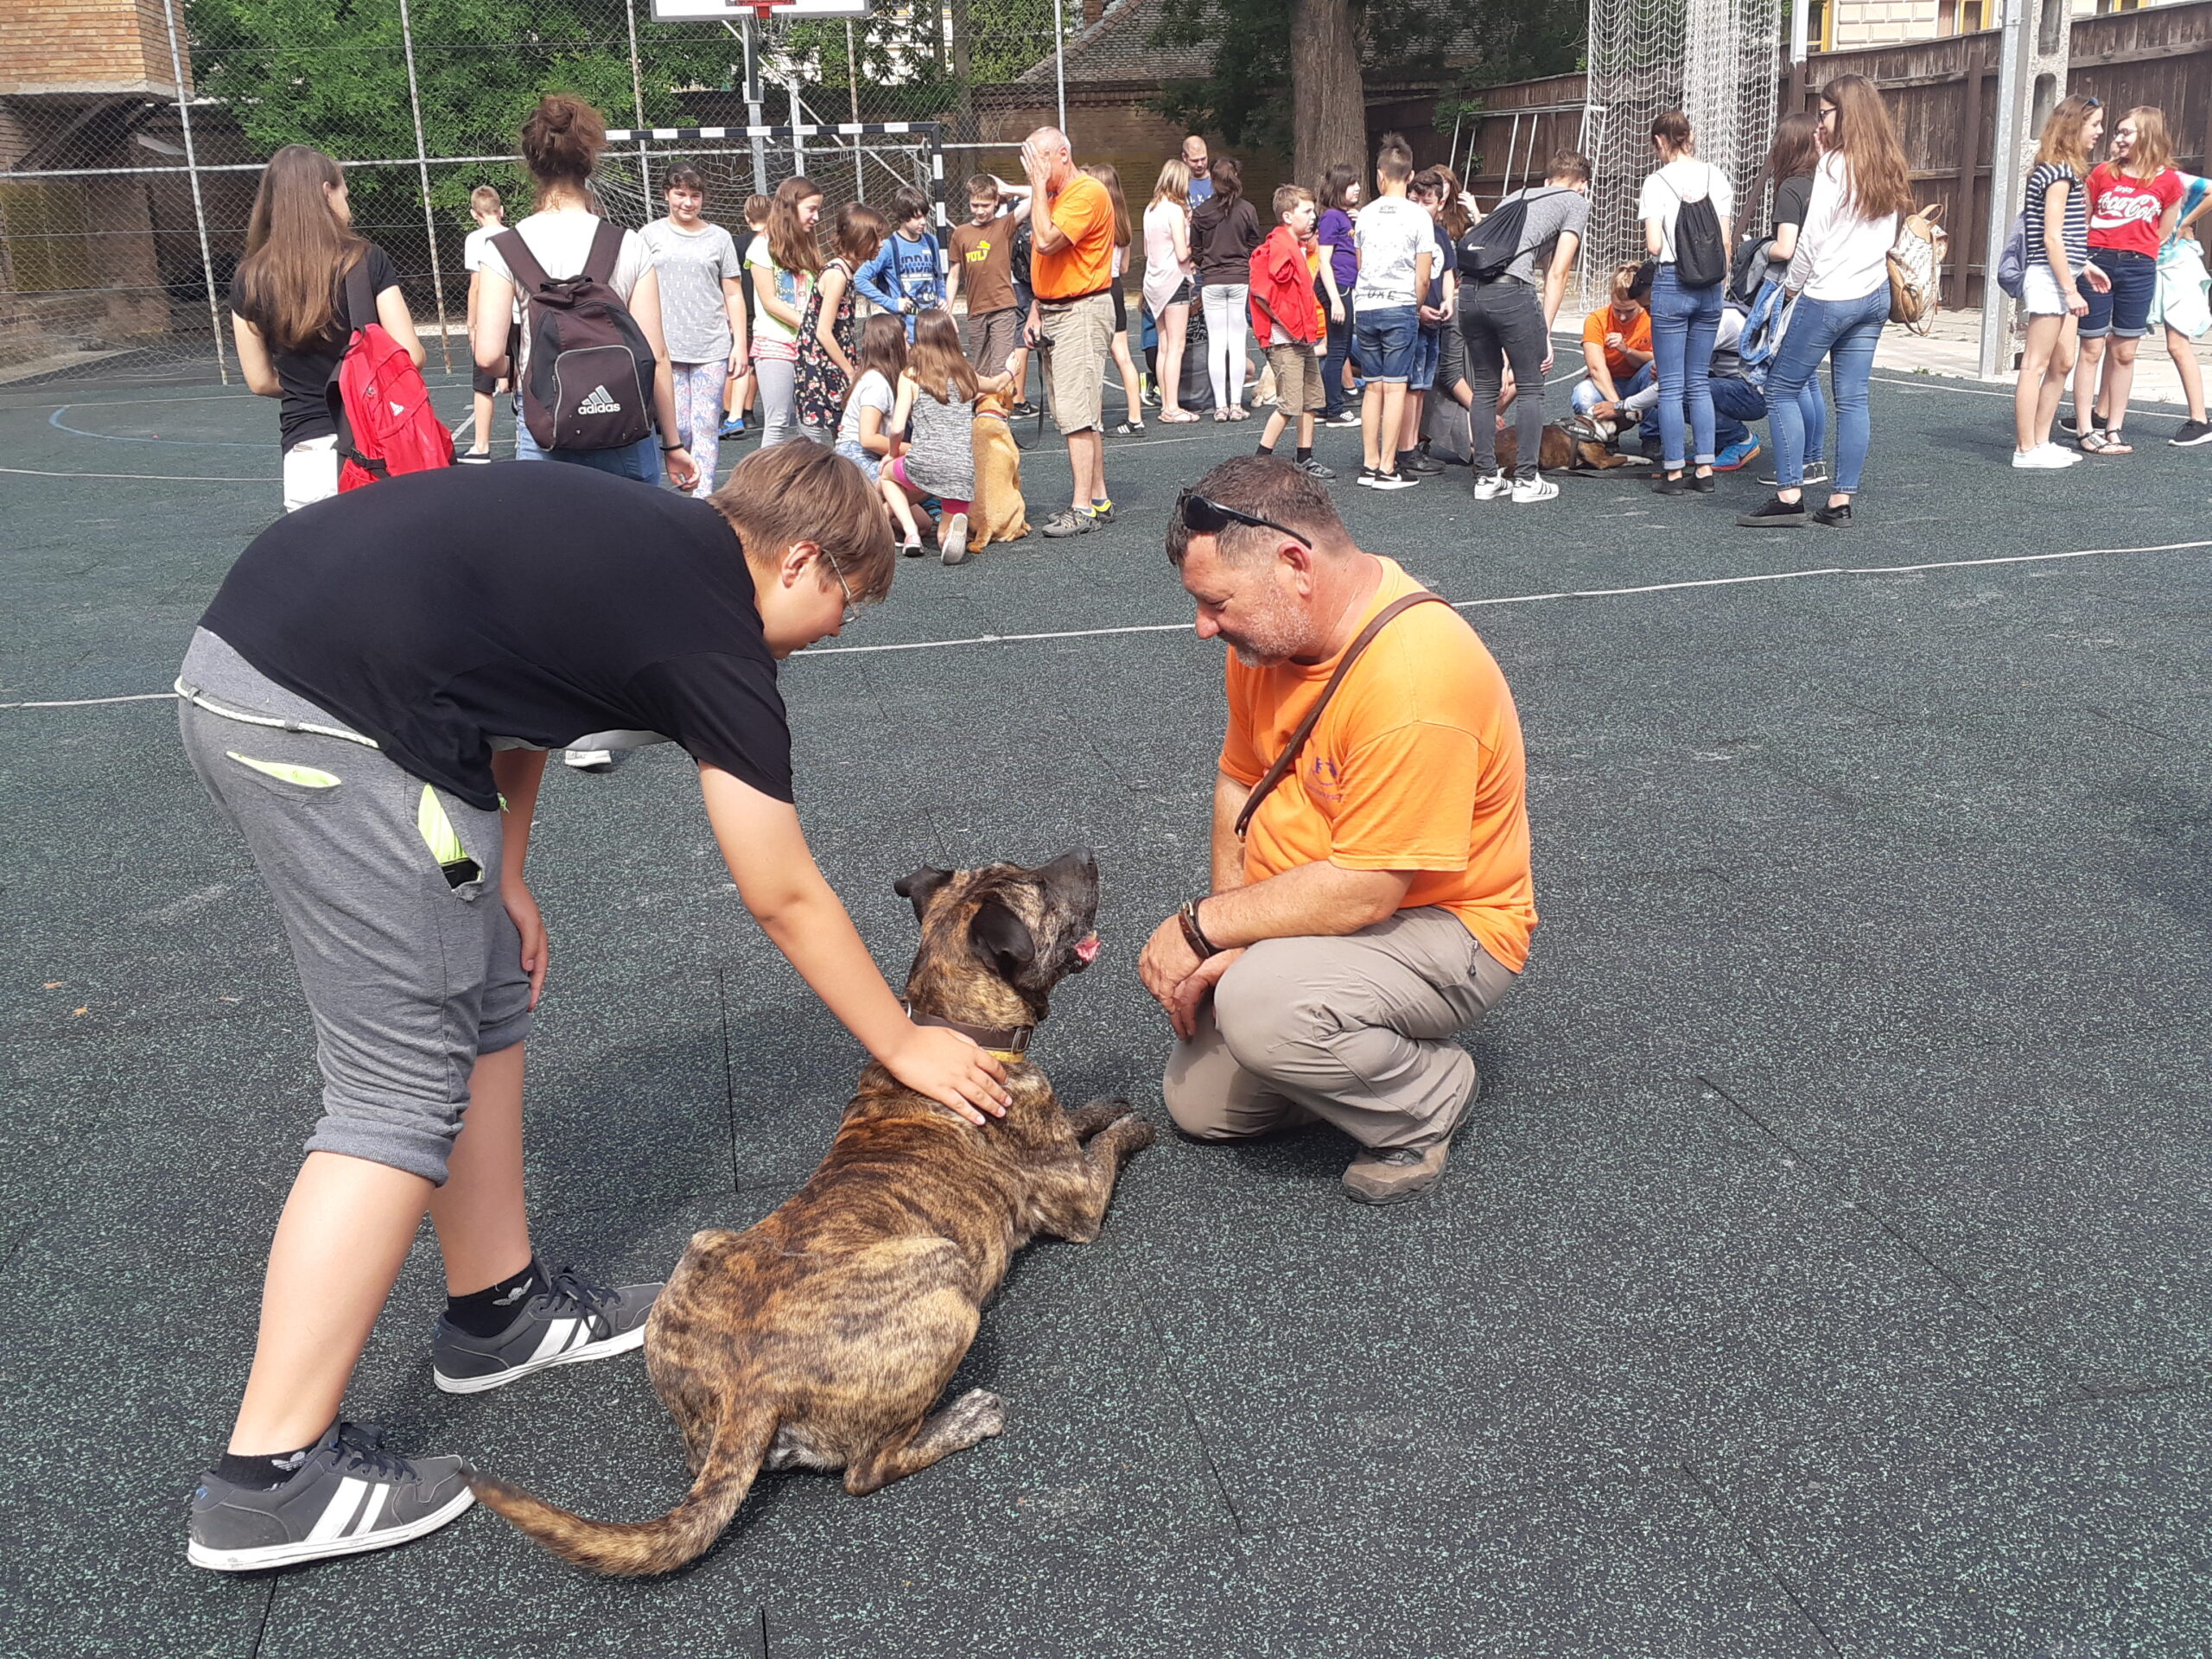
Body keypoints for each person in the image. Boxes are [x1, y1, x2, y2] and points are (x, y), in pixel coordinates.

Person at [177, 443, 1012, 1573]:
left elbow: (525, 694)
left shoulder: (654, 546)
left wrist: (506, 875)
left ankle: (498, 1313)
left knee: (483, 997)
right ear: (803, 559)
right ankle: (271, 1478)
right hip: (319, 713)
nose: (836, 632)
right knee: (397, 1092)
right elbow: (780, 887)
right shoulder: (712, 628)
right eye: (847, 605)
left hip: (318, 666)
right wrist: (905, 1039)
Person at [1141, 457, 1534, 1206]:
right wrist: (1235, 939)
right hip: (1326, 912)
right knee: (1198, 1103)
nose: (1204, 627)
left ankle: (1430, 1096)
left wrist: (1205, 929)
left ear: (1295, 563)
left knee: (1263, 1009)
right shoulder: (1269, 640)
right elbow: (1238, 780)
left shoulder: (1416, 678)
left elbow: (1365, 891)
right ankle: (1331, 1046)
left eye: (1217, 603)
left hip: (1448, 927)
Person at [470, 96, 696, 493]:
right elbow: (656, 355)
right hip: (624, 425)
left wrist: (520, 369)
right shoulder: (629, 244)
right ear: (590, 161)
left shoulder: (504, 248)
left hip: (547, 425)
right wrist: (673, 444)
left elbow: (487, 356)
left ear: (532, 164)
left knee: (555, 548)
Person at [1738, 74, 1908, 529]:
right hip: (1873, 294)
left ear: (1844, 114)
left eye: (1825, 112)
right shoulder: (1888, 164)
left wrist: (1789, 289)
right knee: (1853, 399)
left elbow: (1809, 242)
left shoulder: (1833, 166)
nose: (1820, 121)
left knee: (1780, 389)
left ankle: (1790, 494)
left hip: (1829, 294)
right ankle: (1839, 502)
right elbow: (1890, 235)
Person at [229, 145, 426, 513]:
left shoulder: (249, 278)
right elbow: (410, 355)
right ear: (325, 192)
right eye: (344, 194)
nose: (348, 206)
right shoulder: (366, 260)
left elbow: (259, 380)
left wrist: (313, 387)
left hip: (305, 453)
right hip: (374, 446)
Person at [1463, 149, 1591, 506]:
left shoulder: (1516, 195)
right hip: (1511, 292)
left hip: (1470, 292)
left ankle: (1486, 477)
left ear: (1548, 179)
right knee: (1532, 385)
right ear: (1582, 184)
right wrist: (1544, 332)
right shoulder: (1574, 202)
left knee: (1487, 386)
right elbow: (1559, 270)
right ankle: (1526, 479)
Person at [1020, 126, 1119, 538]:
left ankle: (1082, 508)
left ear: (1063, 154)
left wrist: (1037, 188)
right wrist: (1035, 308)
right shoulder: (1060, 195)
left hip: (1081, 310)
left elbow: (1044, 241)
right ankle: (1098, 498)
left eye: (1041, 159)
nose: (1035, 170)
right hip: (1058, 310)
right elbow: (1050, 265)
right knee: (1077, 413)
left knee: (1078, 416)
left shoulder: (1086, 193)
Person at [2075, 105, 2186, 456]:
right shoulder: (2101, 174)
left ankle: (2114, 428)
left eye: (2127, 132)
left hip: (2139, 267)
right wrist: (2087, 261)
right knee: (2091, 347)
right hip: (2099, 263)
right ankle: (2083, 428)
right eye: (2117, 132)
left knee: (2125, 351)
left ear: (2148, 135)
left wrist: (2141, 249)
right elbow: (2084, 220)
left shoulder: (2168, 181)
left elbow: (2165, 229)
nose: (2118, 139)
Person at [1639, 111, 1734, 497]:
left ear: (1661, 141)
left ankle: (1675, 471)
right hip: (1711, 287)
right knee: (1699, 381)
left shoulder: (1656, 181)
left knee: (1672, 383)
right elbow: (1727, 243)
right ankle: (1706, 467)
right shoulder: (1717, 175)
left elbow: (1654, 246)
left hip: (1672, 283)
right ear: (1689, 136)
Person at [639, 162, 748, 497]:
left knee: (704, 425)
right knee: (680, 426)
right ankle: (688, 476)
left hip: (710, 346)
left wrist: (740, 343)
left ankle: (703, 499)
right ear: (667, 195)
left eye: (695, 195)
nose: (687, 202)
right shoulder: (649, 236)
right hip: (665, 350)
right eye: (680, 194)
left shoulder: (719, 238)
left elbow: (733, 293)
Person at [2011, 95, 2103, 469]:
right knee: (2035, 363)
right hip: (2049, 278)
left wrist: (2085, 267)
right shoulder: (2059, 174)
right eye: (2093, 124)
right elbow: (2051, 237)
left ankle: (2041, 439)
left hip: (2063, 274)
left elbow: (2064, 236)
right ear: (2073, 127)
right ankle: (2025, 448)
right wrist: (2069, 287)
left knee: (2063, 361)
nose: (2098, 132)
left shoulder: (2061, 171)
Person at [886, 308, 1006, 567]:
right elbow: (997, 386)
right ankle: (950, 532)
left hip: (923, 462)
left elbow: (896, 428)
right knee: (944, 537)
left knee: (887, 474)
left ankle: (910, 533)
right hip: (961, 469)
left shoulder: (910, 375)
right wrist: (1011, 369)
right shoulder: (965, 374)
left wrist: (893, 454)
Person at [1350, 137, 1432, 489]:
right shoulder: (1419, 216)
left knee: (1373, 387)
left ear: (1380, 175)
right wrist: (1413, 305)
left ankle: (1369, 464)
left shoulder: (1365, 214)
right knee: (1397, 387)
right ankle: (1388, 466)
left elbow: (1360, 264)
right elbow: (1424, 275)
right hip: (1399, 304)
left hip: (1366, 305)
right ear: (1410, 176)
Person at [1755, 112, 1830, 486]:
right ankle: (1814, 460)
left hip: (1793, 287)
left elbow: (1786, 248)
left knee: (1788, 383)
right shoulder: (1827, 183)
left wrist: (1756, 249)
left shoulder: (1792, 189)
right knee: (1811, 381)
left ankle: (1797, 466)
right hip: (1824, 287)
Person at [1248, 184, 1331, 480]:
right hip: (1286, 340)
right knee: (1289, 404)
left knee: (1310, 398)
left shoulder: (1293, 245)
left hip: (1299, 337)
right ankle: (1259, 461)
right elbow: (1263, 295)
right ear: (1287, 216)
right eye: (1306, 212)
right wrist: (1290, 327)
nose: (1313, 217)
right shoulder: (1280, 247)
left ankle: (1305, 457)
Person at [796, 201, 887, 446]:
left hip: (833, 363)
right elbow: (823, 331)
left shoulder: (848, 272)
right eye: (876, 238)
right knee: (820, 436)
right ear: (859, 238)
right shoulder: (836, 274)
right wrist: (849, 369)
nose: (881, 244)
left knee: (843, 430)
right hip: (822, 367)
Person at [746, 175, 826, 448]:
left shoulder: (808, 246)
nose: (816, 217)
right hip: (775, 344)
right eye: (811, 209)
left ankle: (811, 486)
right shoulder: (762, 247)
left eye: (818, 210)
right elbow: (770, 301)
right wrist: (813, 325)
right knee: (778, 422)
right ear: (791, 206)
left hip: (809, 347)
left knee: (812, 427)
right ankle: (767, 487)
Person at [1396, 168, 1460, 479]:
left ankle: (1414, 446)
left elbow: (1447, 271)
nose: (1421, 206)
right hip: (1412, 318)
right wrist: (1417, 307)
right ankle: (1404, 449)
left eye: (1428, 201)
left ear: (1440, 202)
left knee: (1421, 387)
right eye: (1415, 199)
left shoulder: (1440, 234)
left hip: (1436, 320)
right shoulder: (1404, 232)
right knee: (1409, 386)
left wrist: (1448, 300)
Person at [1193, 157, 1263, 420]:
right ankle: (1236, 404)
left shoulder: (1201, 212)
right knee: (1237, 342)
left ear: (1212, 180)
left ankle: (1220, 405)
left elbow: (1196, 250)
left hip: (1211, 279)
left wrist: (1207, 263)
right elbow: (1255, 243)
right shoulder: (1247, 210)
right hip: (1238, 279)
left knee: (1216, 342)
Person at [1084, 162, 1148, 435]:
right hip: (1116, 287)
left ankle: (1095, 419)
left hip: (1096, 289)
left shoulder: (1094, 219)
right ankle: (1136, 417)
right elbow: (1123, 268)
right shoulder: (1122, 219)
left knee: (1095, 356)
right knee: (1123, 355)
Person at [2151, 170, 2210, 445]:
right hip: (2147, 264)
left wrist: (2182, 222)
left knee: (2177, 344)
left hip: (2178, 263)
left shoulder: (2170, 176)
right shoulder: (2127, 178)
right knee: (2119, 340)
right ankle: (2102, 414)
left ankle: (2199, 420)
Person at [947, 174, 1025, 380]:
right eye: (975, 205)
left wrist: (1007, 187)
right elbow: (954, 275)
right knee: (979, 373)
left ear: (996, 201)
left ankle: (1000, 411)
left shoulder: (1005, 224)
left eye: (985, 205)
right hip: (976, 310)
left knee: (1001, 369)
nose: (980, 211)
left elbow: (1038, 195)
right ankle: (982, 410)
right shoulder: (961, 234)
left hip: (1002, 306)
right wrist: (949, 308)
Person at [1143, 158, 1200, 423]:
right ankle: (1173, 406)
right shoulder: (1175, 211)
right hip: (1173, 280)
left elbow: (1147, 250)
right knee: (1176, 346)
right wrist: (1195, 243)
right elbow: (1181, 253)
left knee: (1164, 345)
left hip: (1153, 281)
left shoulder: (1151, 209)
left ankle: (1166, 402)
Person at [460, 185, 510, 465]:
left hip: (492, 317)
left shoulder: (475, 240)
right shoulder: (516, 236)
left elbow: (476, 285)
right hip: (516, 316)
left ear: (474, 214)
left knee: (483, 384)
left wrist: (472, 323)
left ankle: (481, 446)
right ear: (501, 211)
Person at [854, 185, 945, 339]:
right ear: (902, 217)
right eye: (917, 217)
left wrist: (943, 299)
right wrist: (892, 303)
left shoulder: (931, 242)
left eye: (924, 216)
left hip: (933, 327)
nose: (922, 222)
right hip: (908, 330)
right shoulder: (889, 247)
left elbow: (939, 277)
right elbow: (859, 279)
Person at [835, 311, 908, 502]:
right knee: (922, 474)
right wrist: (913, 449)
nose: (910, 347)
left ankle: (877, 514)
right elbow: (867, 438)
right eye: (906, 341)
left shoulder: (882, 379)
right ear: (894, 346)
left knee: (923, 523)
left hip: (869, 456)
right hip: (855, 457)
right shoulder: (876, 382)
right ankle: (859, 510)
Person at [721, 192, 774, 442]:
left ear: (746, 217)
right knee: (752, 365)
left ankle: (731, 412)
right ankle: (747, 411)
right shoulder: (773, 242)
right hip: (765, 310)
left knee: (738, 362)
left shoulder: (736, 243)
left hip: (742, 308)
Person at [1571, 261, 1653, 416]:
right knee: (1583, 395)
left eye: (1629, 311)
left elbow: (1655, 360)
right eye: (1617, 310)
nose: (1622, 317)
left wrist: (1627, 351)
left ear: (1641, 304)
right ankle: (1606, 437)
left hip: (1638, 382)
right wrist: (1619, 407)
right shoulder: (1596, 320)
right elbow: (1596, 369)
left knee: (1656, 370)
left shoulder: (1651, 317)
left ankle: (1651, 435)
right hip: (1609, 383)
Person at [1314, 164, 1363, 427]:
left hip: (1344, 285)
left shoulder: (1345, 217)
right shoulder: (1332, 217)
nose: (1356, 188)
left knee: (1339, 347)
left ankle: (1325, 406)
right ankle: (1333, 407)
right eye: (1350, 184)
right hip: (1337, 286)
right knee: (1337, 349)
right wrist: (1335, 299)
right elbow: (1324, 260)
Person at [1183, 135, 1215, 209]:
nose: (1200, 164)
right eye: (1195, 161)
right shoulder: (1179, 183)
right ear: (1184, 157)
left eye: (1203, 159)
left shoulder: (1217, 180)